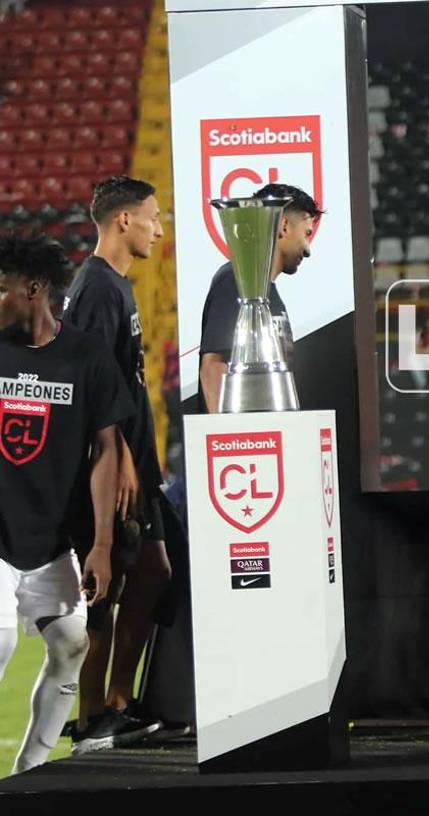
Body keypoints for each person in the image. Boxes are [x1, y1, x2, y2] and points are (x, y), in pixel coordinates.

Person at [0, 233, 131, 772]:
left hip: (51, 537)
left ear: (33, 289)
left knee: (73, 645)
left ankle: (31, 772)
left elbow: (107, 450)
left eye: (0, 288)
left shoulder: (86, 356)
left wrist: (100, 544)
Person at [62, 176, 169, 752]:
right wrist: (120, 456)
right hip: (114, 464)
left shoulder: (117, 287)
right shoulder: (97, 289)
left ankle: (116, 704)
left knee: (151, 573)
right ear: (123, 221)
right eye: (152, 216)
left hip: (136, 459)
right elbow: (86, 386)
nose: (158, 227)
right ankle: (91, 715)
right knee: (110, 586)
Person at [197, 183, 321, 413]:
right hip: (249, 442)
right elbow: (214, 367)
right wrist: (230, 439)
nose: (307, 249)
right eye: (306, 234)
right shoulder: (237, 281)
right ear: (283, 225)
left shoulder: (266, 289)